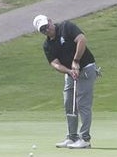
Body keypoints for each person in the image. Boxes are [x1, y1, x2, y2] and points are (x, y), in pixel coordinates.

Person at [33, 14, 97, 149]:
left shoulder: (66, 27)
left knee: (82, 103)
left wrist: (76, 61)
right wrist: (69, 71)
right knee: (69, 102)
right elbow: (55, 64)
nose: (46, 30)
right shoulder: (47, 45)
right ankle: (72, 137)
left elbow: (82, 40)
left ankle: (85, 139)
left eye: (47, 26)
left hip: (86, 68)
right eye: (43, 30)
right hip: (70, 73)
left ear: (50, 21)